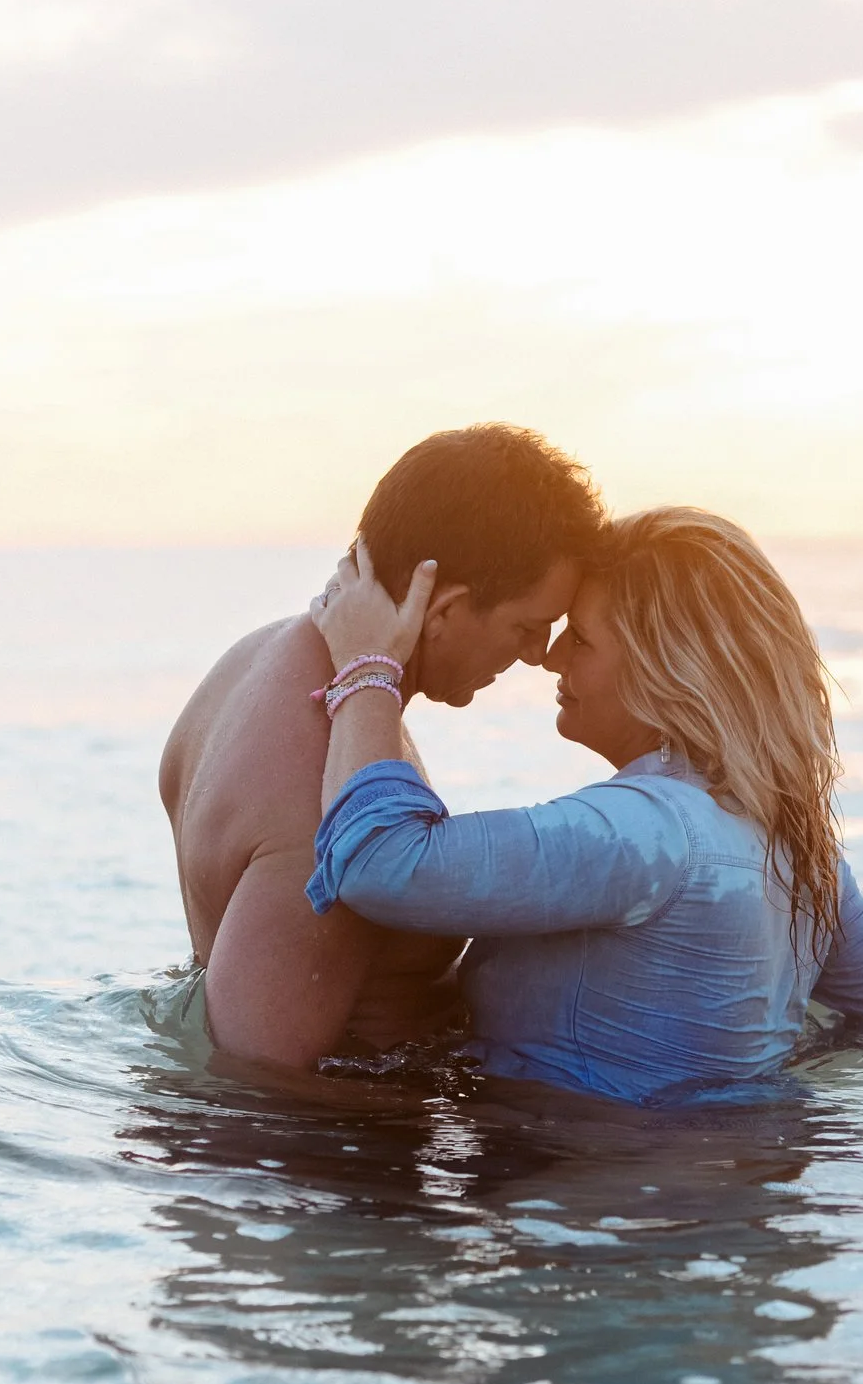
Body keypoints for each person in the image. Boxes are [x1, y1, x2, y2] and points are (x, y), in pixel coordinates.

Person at [301, 506, 863, 1104]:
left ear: (664, 671)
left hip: (588, 1199)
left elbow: (375, 860)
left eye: (580, 639)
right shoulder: (794, 841)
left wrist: (366, 666)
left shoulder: (643, 834)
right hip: (711, 1197)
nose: (551, 656)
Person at [159, 423, 606, 1069]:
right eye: (527, 627)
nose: (537, 655)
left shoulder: (260, 659)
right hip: (338, 1155)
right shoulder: (319, 797)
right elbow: (260, 1076)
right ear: (446, 608)